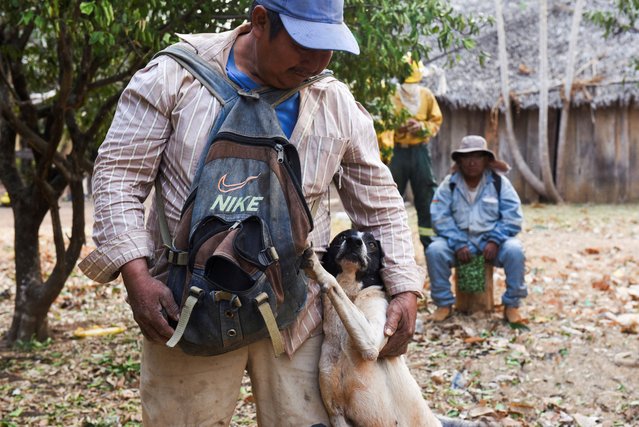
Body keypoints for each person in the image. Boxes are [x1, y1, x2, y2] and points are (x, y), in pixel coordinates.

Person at [79, 1, 424, 425]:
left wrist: (406, 289)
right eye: (304, 44)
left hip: (297, 311)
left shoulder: (332, 100)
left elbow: (380, 201)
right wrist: (137, 278)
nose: (316, 62)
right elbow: (118, 177)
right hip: (186, 308)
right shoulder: (175, 76)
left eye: (327, 47)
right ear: (260, 20)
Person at [425, 135, 527, 323]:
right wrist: (457, 242)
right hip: (458, 243)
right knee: (435, 250)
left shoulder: (499, 183)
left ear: (487, 160)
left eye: (478, 156)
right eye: (466, 157)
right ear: (459, 161)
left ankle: (512, 305)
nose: (472, 162)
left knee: (515, 250)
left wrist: (495, 240)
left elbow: (513, 216)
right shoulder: (449, 184)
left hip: (492, 244)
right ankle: (443, 304)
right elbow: (439, 217)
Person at [385, 55, 443, 250]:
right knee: (390, 196)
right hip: (397, 153)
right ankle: (388, 246)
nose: (410, 85)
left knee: (426, 194)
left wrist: (421, 127)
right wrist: (398, 129)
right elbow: (381, 125)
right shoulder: (391, 95)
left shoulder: (426, 95)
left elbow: (436, 122)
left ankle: (430, 245)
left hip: (419, 152)